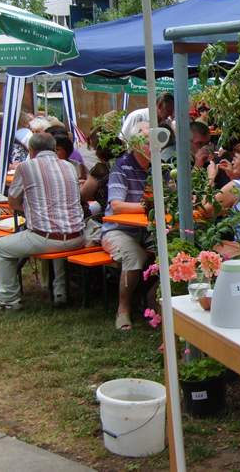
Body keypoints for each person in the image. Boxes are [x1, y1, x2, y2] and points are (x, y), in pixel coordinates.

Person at [0, 133, 85, 310]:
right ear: (53, 148)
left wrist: (28, 206)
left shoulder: (26, 167)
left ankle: (8, 300)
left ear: (32, 150)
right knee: (58, 236)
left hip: (47, 239)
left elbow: (12, 203)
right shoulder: (69, 166)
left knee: (0, 247)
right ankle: (61, 293)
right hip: (78, 238)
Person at [101, 123, 157, 331]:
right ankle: (123, 310)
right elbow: (116, 206)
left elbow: (171, 196)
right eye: (150, 143)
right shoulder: (121, 166)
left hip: (147, 229)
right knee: (135, 255)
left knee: (175, 250)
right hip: (118, 229)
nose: (156, 147)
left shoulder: (158, 167)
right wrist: (150, 205)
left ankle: (150, 299)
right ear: (135, 145)